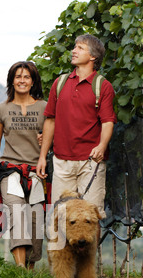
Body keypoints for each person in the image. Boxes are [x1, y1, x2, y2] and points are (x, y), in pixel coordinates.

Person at [36, 34, 117, 219]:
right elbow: (50, 120)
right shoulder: (60, 83)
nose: (74, 51)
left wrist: (102, 146)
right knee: (60, 217)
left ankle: (91, 250)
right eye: (75, 47)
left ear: (93, 57)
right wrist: (43, 157)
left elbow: (107, 122)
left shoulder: (103, 86)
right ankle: (59, 250)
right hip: (61, 162)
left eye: (80, 48)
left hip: (91, 162)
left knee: (91, 217)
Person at [0, 61, 47, 268]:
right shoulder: (1, 109)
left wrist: (46, 140)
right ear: (12, 80)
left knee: (35, 221)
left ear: (33, 81)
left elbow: (52, 139)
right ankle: (20, 272)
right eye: (18, 76)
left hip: (37, 173)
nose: (22, 80)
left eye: (26, 77)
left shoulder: (44, 107)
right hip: (10, 171)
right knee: (17, 214)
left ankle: (29, 274)